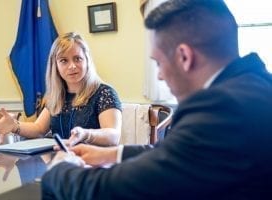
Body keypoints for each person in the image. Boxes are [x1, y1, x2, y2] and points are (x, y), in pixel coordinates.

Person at [41, 1, 272, 199]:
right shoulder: (255, 85)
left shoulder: (219, 112)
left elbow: (107, 191)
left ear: (184, 57)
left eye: (159, 63)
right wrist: (112, 154)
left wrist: (61, 167)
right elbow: (175, 153)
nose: (160, 75)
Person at [0, 32, 122, 146]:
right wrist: (15, 126)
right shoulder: (56, 95)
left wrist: (86, 134)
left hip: (94, 167)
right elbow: (39, 129)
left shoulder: (105, 93)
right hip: (61, 165)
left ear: (87, 61)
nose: (72, 66)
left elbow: (113, 135)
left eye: (77, 59)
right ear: (55, 66)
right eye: (64, 60)